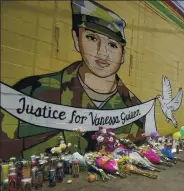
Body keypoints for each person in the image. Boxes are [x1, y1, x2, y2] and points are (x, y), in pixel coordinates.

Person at [0, 0, 145, 160]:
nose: (102, 53)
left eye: (112, 45)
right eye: (91, 38)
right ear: (76, 39)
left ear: (123, 55)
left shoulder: (135, 111)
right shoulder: (30, 93)